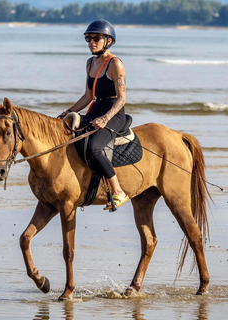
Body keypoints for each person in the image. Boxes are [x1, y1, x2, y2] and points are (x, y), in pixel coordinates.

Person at [58, 19, 129, 210]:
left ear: (109, 41)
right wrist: (71, 111)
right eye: (88, 38)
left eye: (96, 38)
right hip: (96, 108)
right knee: (72, 138)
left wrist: (106, 118)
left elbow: (122, 98)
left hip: (113, 113)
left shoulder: (115, 64)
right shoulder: (90, 63)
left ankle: (118, 191)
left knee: (94, 148)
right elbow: (88, 95)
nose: (91, 42)